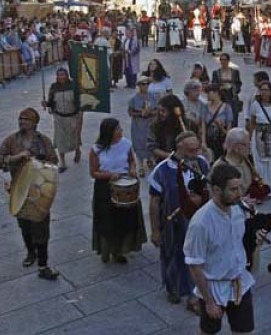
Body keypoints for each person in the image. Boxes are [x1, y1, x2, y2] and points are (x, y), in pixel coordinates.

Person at [183, 163, 258, 335]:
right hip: (213, 289)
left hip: (240, 284)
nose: (239, 194)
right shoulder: (201, 223)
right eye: (233, 189)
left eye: (240, 187)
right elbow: (194, 266)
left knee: (245, 331)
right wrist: (208, 301)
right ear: (216, 190)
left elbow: (239, 241)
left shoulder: (238, 209)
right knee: (208, 332)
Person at [0, 108, 61, 280]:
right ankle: (30, 252)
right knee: (25, 226)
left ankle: (43, 265)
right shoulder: (12, 140)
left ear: (34, 122)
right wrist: (14, 158)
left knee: (41, 228)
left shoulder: (43, 141)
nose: (22, 122)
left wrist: (37, 163)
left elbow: (54, 162)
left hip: (39, 192)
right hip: (19, 190)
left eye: (26, 119)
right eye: (20, 119)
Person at [148, 131, 209, 312]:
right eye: (191, 150)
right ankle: (173, 288)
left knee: (197, 258)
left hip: (198, 221)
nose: (196, 153)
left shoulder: (201, 163)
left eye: (197, 149)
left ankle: (194, 295)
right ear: (179, 148)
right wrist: (155, 230)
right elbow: (154, 202)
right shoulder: (162, 170)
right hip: (173, 223)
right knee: (173, 256)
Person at [89, 118, 146, 264]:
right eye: (117, 129)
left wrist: (133, 169)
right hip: (105, 187)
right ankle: (106, 250)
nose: (121, 131)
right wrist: (109, 175)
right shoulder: (96, 149)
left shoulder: (126, 144)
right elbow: (93, 172)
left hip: (124, 183)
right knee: (107, 221)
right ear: (109, 132)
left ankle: (119, 251)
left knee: (123, 220)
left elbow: (131, 161)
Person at [247, 81, 271, 197]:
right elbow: (252, 122)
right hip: (259, 137)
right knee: (260, 164)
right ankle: (263, 188)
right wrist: (249, 138)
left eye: (266, 90)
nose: (264, 92)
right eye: (262, 90)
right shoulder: (255, 105)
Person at [42, 69, 81, 173]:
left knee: (74, 136)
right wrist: (46, 104)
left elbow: (79, 101)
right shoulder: (54, 87)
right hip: (59, 117)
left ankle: (77, 150)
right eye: (59, 75)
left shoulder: (73, 86)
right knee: (60, 139)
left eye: (63, 75)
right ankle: (62, 162)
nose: (61, 77)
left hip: (72, 116)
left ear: (67, 75)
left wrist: (79, 113)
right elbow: (50, 102)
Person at [149, 94, 201, 163]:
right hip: (165, 163)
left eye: (163, 111)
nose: (160, 113)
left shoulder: (189, 124)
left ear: (172, 111)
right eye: (159, 111)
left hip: (189, 162)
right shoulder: (155, 126)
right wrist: (171, 156)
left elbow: (198, 143)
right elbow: (153, 148)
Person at [128, 76, 158, 175]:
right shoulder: (134, 98)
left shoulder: (153, 97)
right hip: (138, 124)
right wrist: (141, 114)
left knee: (149, 141)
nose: (145, 86)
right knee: (139, 142)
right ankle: (140, 165)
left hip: (149, 123)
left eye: (147, 84)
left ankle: (150, 158)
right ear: (139, 85)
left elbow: (157, 109)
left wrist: (151, 113)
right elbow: (130, 112)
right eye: (143, 84)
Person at [200, 84, 233, 161]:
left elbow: (229, 129)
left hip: (220, 139)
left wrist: (227, 142)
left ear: (216, 93)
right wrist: (203, 141)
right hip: (209, 139)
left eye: (209, 93)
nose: (207, 95)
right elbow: (203, 126)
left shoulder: (226, 107)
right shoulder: (205, 107)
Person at [211, 53, 242, 127]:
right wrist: (220, 87)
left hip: (232, 97)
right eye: (221, 60)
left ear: (228, 61)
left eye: (225, 60)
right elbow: (214, 85)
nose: (223, 62)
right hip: (221, 97)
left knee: (233, 118)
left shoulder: (235, 72)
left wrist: (232, 87)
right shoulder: (216, 73)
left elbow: (238, 84)